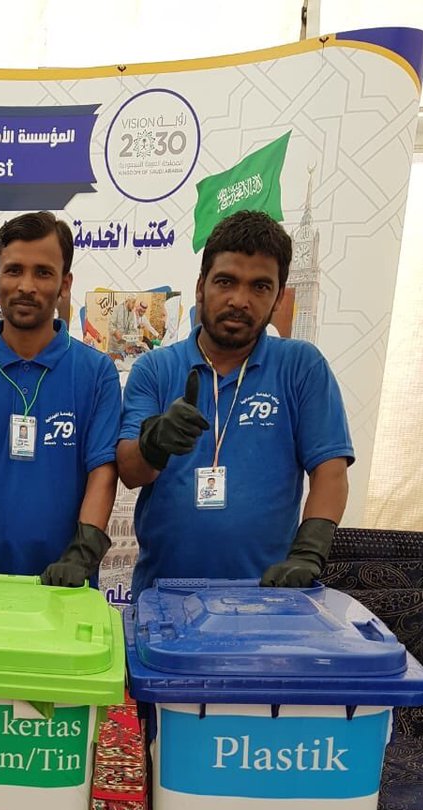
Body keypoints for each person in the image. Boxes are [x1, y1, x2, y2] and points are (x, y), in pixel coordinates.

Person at [117, 209, 353, 596]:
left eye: (260, 287)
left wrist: (308, 553)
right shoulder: (155, 368)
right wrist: (155, 442)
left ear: (278, 298)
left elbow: (331, 472)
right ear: (201, 287)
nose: (239, 300)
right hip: (164, 599)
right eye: (226, 281)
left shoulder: (302, 367)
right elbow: (130, 472)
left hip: (267, 599)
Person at [0, 210, 120, 585]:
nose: (26, 286)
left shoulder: (97, 372)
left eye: (43, 273)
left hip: (63, 582)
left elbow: (103, 472)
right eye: (14, 270)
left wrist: (82, 554)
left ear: (65, 283)